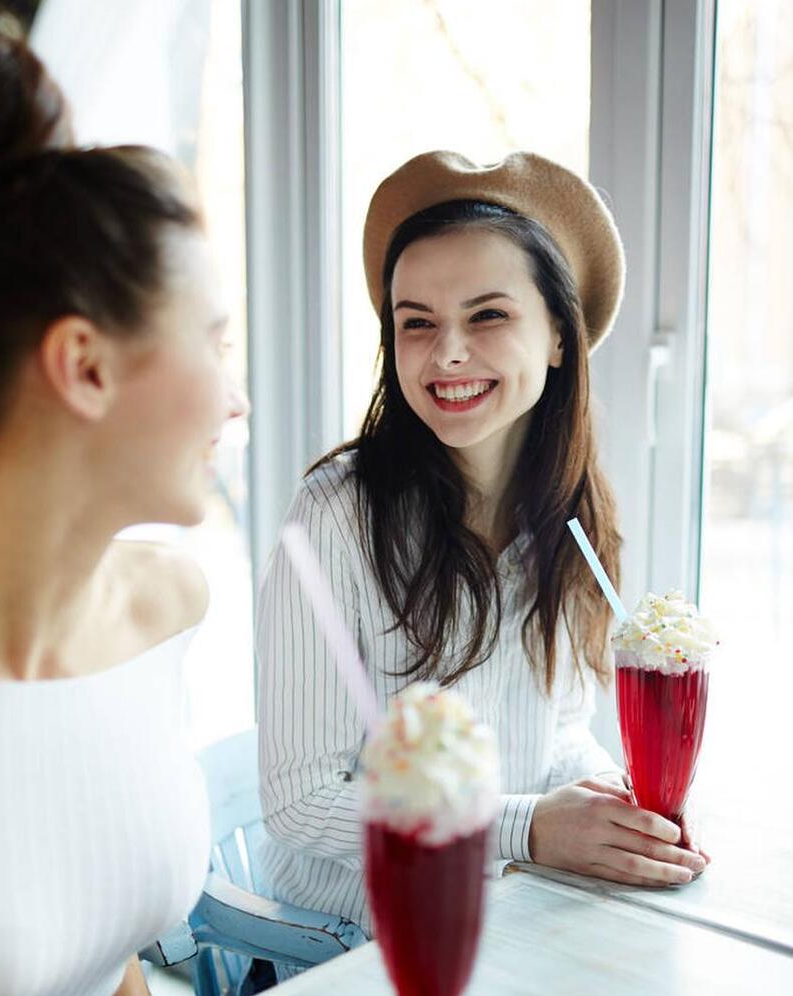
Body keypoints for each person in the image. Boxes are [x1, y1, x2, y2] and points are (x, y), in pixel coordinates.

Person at [0, 36, 492, 996]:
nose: (240, 392)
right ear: (85, 366)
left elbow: (62, 901)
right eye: (215, 341)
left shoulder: (162, 606)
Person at [256, 150, 708, 951]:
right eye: (417, 322)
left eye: (488, 315)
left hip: (508, 916)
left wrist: (612, 803)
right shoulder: (331, 518)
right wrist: (528, 829)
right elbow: (301, 803)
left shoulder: (571, 517)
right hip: (350, 951)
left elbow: (552, 733)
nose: (448, 353)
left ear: (561, 337)